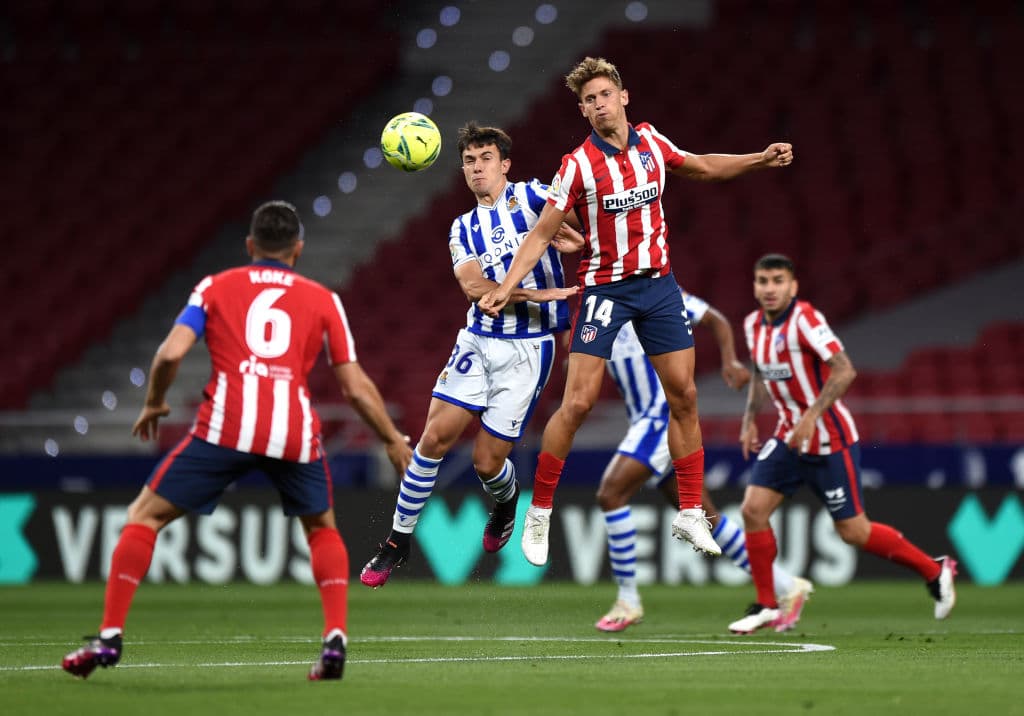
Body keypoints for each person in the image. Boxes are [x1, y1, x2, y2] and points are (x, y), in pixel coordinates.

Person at [61, 200, 413, 681]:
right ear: (299, 249)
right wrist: (392, 438)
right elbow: (354, 386)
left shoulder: (214, 287)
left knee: (143, 517)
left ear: (250, 246)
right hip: (293, 429)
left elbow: (168, 355)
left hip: (226, 425)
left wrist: (155, 403)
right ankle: (334, 642)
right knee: (321, 529)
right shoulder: (323, 299)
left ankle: (109, 637)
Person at [479, 56, 794, 566]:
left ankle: (690, 512)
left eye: (605, 95)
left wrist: (759, 158)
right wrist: (506, 286)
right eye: (589, 100)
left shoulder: (651, 141)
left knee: (685, 396)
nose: (599, 105)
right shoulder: (577, 164)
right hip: (606, 290)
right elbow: (541, 235)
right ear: (582, 111)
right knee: (578, 403)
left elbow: (705, 166)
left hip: (659, 287)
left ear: (623, 97)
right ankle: (539, 511)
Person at [359, 122, 579, 588]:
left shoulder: (538, 196)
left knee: (485, 462)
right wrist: (533, 294)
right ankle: (397, 542)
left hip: (528, 350)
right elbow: (474, 287)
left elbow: (585, 231)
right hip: (478, 340)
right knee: (433, 439)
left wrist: (578, 240)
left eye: (485, 159)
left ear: (505, 164)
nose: (477, 168)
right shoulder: (462, 228)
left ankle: (504, 502)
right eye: (469, 161)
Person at [729, 253, 957, 634]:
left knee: (854, 532)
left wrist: (812, 414)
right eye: (763, 281)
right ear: (754, 286)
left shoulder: (806, 320)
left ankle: (935, 571)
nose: (769, 289)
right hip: (787, 437)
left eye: (777, 281)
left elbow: (845, 369)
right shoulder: (753, 325)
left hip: (829, 439)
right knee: (753, 510)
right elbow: (759, 373)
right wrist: (750, 418)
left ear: (793, 286)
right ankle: (767, 603)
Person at [594, 289, 813, 633]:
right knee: (707, 517)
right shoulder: (602, 299)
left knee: (610, 494)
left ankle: (628, 600)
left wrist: (729, 361)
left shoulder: (658, 292)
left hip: (661, 416)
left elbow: (717, 320)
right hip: (641, 419)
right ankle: (787, 585)